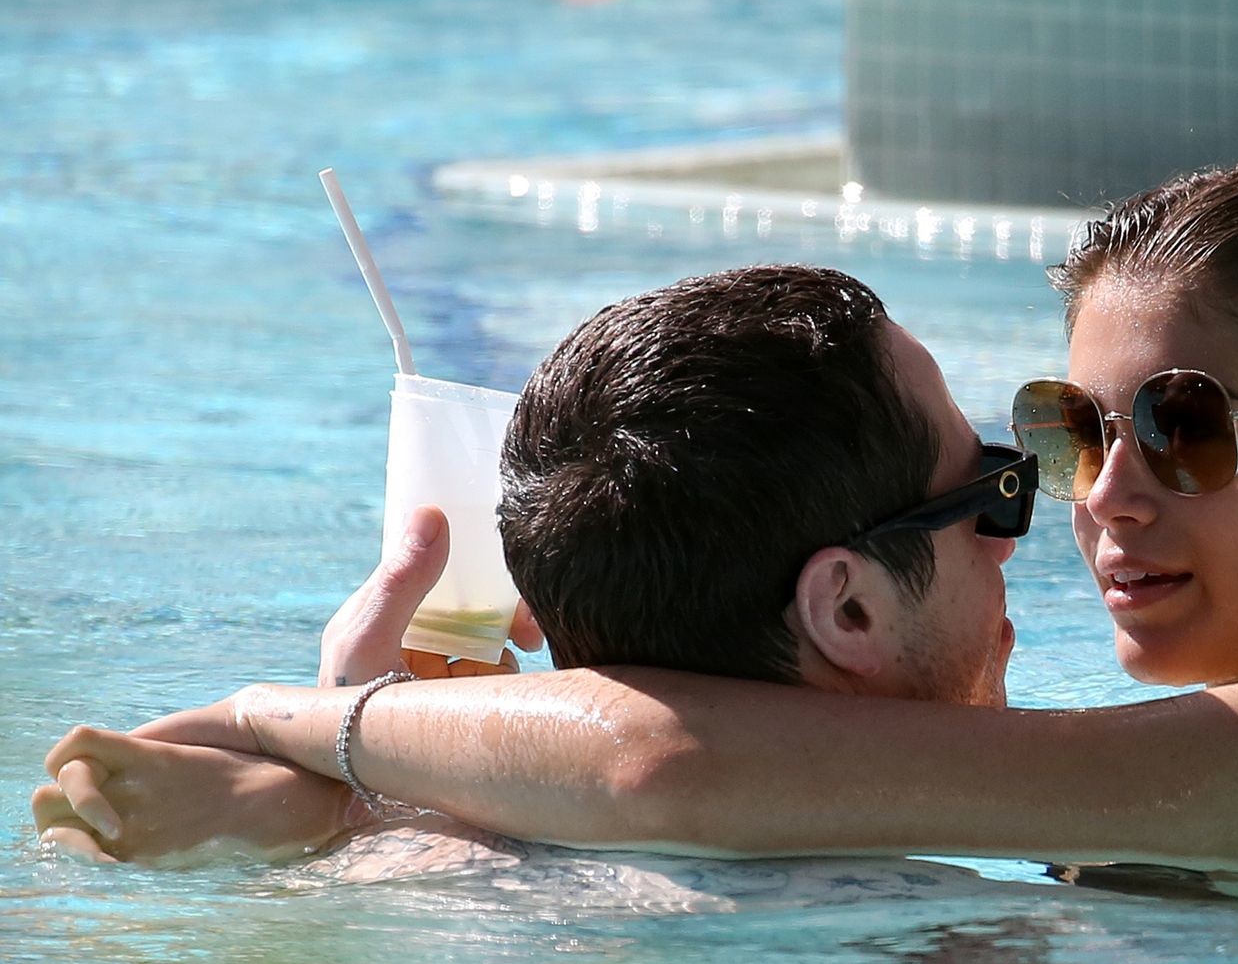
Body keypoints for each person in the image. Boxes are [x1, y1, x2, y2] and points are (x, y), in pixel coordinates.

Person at [42, 151, 1238, 887]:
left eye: (1184, 427)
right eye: (1072, 432)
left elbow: (661, 764)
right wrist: (378, 813)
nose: (1098, 501)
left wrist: (314, 731)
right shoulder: (1089, 780)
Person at [34, 264, 1031, 870]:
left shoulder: (423, 874)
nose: (1008, 540)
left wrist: (368, 797)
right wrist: (336, 751)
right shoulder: (953, 963)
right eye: (989, 493)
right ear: (847, 610)